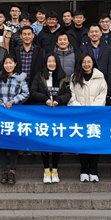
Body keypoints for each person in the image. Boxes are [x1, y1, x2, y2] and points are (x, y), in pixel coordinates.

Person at [0, 54, 30, 184]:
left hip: (14, 115)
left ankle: (12, 171)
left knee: (13, 142)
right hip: (0, 114)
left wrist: (13, 101)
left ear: (15, 64)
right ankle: (3, 171)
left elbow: (26, 93)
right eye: (6, 63)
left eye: (11, 63)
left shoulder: (20, 79)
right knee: (2, 142)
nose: (8, 65)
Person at [29, 54, 72, 183]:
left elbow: (68, 93)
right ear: (45, 63)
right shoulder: (39, 76)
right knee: (45, 143)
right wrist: (45, 99)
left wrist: (59, 99)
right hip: (43, 115)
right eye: (49, 61)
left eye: (54, 61)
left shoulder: (63, 77)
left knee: (56, 143)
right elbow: (33, 92)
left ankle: (55, 170)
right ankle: (47, 170)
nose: (51, 63)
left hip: (58, 115)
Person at [68, 53, 108, 182]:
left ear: (93, 63)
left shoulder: (100, 77)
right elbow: (71, 95)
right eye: (84, 62)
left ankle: (94, 171)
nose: (86, 64)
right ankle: (84, 170)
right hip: (80, 115)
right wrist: (81, 110)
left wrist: (92, 110)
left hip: (95, 115)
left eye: (89, 62)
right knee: (82, 143)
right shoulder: (74, 77)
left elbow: (102, 95)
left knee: (94, 143)